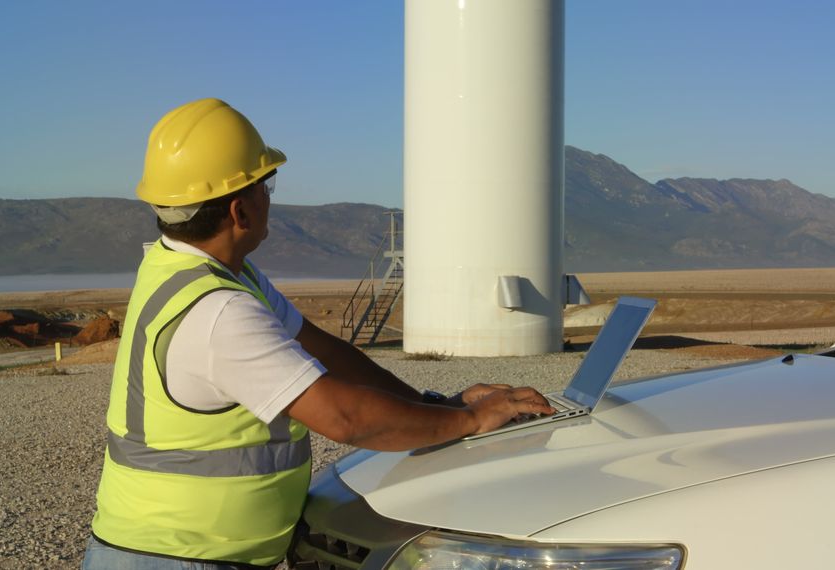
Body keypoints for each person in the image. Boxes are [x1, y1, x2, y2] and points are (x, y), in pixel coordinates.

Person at [82, 98, 554, 569]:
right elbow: (345, 418)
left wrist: (434, 405)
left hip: (180, 553)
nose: (271, 195)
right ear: (239, 210)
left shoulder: (201, 271)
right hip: (177, 559)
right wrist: (469, 422)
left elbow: (324, 349)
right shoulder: (220, 311)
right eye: (265, 184)